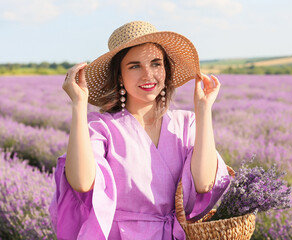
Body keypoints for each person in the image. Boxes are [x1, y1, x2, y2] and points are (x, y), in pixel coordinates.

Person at [49, 21, 230, 240]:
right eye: (134, 66)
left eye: (156, 64)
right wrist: (79, 104)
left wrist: (203, 109)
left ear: (166, 69)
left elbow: (204, 184)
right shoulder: (101, 127)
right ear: (119, 76)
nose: (148, 74)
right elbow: (82, 182)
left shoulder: (187, 124)